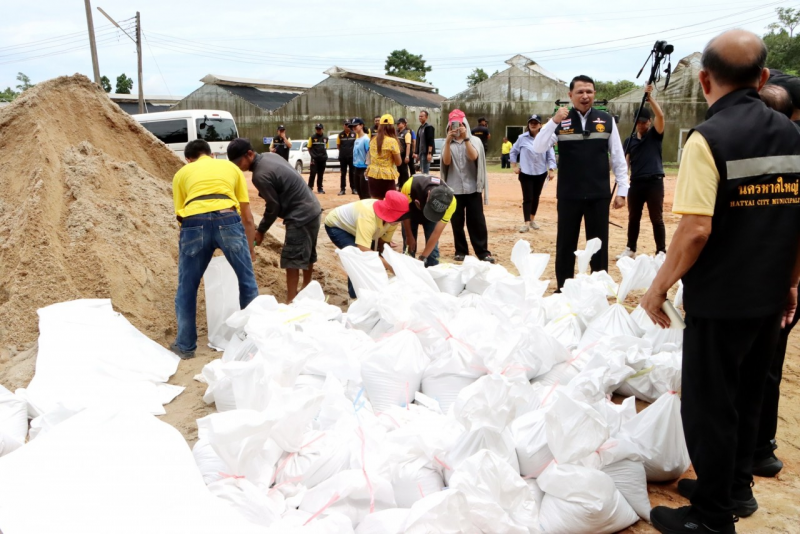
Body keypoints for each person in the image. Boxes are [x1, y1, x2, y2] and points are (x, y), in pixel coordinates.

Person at [640, 30, 800, 534]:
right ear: (763, 76)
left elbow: (695, 230)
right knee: (749, 397)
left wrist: (657, 287)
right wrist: (792, 282)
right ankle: (733, 490)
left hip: (722, 298)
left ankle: (711, 518)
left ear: (705, 79)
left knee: (710, 405)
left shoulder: (707, 139)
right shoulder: (793, 134)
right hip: (770, 293)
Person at [532, 74, 628, 290]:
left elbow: (618, 157)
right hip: (569, 194)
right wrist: (553, 121)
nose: (585, 96)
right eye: (580, 92)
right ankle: (563, 288)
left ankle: (598, 288)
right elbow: (538, 147)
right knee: (566, 244)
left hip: (598, 194)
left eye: (589, 92)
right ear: (570, 95)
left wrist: (622, 190)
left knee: (598, 245)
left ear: (594, 94)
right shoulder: (560, 121)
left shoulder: (607, 120)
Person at [751, 71, 800, 479]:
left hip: (770, 276)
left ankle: (754, 452)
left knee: (755, 366)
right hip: (786, 277)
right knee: (767, 363)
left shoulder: (777, 147)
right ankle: (759, 448)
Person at [170, 139, 259, 359]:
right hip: (228, 217)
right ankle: (253, 341)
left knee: (187, 286)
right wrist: (250, 248)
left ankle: (185, 346)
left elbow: (180, 215)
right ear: (211, 155)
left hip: (194, 222)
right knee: (247, 281)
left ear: (188, 159)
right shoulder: (231, 168)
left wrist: (193, 240)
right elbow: (247, 216)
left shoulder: (182, 174)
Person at [228, 139, 322, 304]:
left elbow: (273, 206)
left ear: (249, 154)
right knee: (307, 253)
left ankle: (291, 301)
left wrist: (261, 230)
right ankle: (307, 288)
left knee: (291, 259)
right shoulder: (270, 156)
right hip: (313, 208)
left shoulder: (259, 175)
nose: (238, 167)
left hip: (300, 214)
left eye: (239, 162)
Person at [324, 191, 409, 298]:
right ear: (389, 212)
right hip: (338, 227)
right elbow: (363, 249)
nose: (399, 221)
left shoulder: (394, 220)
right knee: (357, 258)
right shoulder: (367, 217)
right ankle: (355, 296)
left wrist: (391, 261)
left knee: (372, 258)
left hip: (358, 228)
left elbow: (383, 243)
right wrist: (390, 266)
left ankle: (370, 291)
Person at [617, 84, 667, 260]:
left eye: (644, 122)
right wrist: (622, 190)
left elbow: (660, 116)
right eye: (638, 122)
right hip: (636, 183)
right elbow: (625, 165)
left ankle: (661, 251)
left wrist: (650, 99)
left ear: (649, 122)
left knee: (656, 218)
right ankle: (630, 249)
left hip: (654, 182)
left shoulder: (655, 135)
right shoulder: (629, 141)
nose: (641, 125)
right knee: (633, 218)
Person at [441, 109, 495, 263]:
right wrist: (447, 142)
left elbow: (473, 157)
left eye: (460, 124)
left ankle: (482, 252)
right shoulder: (448, 143)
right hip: (454, 189)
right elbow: (446, 162)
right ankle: (461, 250)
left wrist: (465, 139)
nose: (457, 128)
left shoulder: (475, 141)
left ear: (465, 125)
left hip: (472, 188)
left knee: (477, 222)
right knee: (457, 223)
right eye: (453, 125)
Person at [510, 114, 556, 233]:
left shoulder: (545, 138)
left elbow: (550, 155)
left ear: (540, 125)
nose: (533, 124)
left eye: (536, 122)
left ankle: (532, 219)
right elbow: (513, 151)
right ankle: (526, 223)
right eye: (531, 122)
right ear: (528, 124)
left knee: (536, 197)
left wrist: (551, 169)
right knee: (528, 197)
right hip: (526, 173)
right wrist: (514, 166)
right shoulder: (522, 138)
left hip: (540, 173)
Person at [401, 173, 456, 267]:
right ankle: (408, 269)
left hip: (431, 219)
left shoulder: (451, 202)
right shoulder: (410, 186)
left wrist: (423, 257)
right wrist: (409, 235)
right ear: (429, 195)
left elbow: (436, 233)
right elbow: (404, 213)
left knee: (432, 254)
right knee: (408, 250)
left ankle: (432, 270)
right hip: (410, 213)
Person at [365, 114, 402, 199]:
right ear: (392, 127)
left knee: (375, 202)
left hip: (373, 174)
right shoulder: (392, 141)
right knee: (389, 202)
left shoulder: (373, 140)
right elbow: (398, 163)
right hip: (387, 176)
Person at [351, 117, 371, 200]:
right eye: (353, 126)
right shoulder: (357, 139)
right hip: (357, 168)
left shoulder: (366, 139)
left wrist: (368, 168)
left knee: (365, 193)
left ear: (361, 125)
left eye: (356, 126)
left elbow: (369, 153)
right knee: (359, 192)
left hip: (364, 169)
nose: (354, 128)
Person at [337, 120, 358, 196]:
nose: (347, 126)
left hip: (352, 157)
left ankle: (354, 189)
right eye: (346, 125)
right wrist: (344, 152)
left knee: (352, 173)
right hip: (343, 157)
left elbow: (356, 145)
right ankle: (342, 189)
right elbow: (338, 146)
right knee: (343, 173)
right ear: (343, 126)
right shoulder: (340, 135)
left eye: (349, 125)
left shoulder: (354, 134)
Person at [307, 123, 329, 194]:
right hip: (314, 159)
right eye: (317, 129)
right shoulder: (312, 137)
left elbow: (326, 147)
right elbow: (309, 147)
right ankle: (310, 187)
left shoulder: (325, 138)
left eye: (319, 129)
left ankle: (320, 188)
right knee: (312, 173)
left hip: (322, 159)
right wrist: (313, 155)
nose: (318, 130)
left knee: (320, 174)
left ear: (322, 129)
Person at [396, 118, 414, 188]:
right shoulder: (397, 132)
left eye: (399, 123)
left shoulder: (407, 133)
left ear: (403, 124)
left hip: (404, 155)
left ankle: (406, 186)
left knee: (404, 171)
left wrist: (407, 156)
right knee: (399, 171)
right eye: (397, 123)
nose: (397, 125)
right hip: (398, 155)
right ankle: (400, 185)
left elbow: (408, 145)